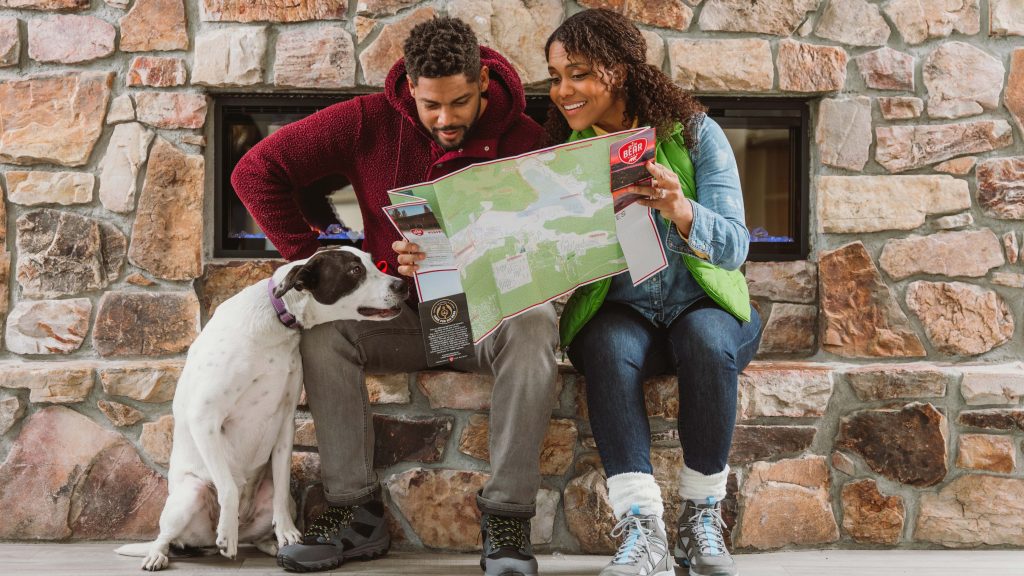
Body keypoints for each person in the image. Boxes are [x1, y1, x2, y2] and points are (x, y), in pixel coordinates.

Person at [231, 17, 557, 576]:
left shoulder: (527, 140)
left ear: (482, 82)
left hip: (486, 317)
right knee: (325, 331)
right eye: (431, 105)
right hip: (397, 313)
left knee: (535, 324)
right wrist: (317, 260)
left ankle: (506, 522)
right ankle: (355, 512)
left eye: (458, 102)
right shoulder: (367, 122)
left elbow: (551, 248)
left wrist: (473, 260)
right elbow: (255, 172)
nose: (445, 119)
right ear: (410, 89)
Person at [546, 9, 762, 576]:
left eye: (578, 73)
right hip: (622, 308)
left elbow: (737, 246)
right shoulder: (559, 156)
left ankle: (701, 518)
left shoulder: (694, 134)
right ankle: (643, 531)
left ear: (618, 71)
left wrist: (682, 209)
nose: (563, 90)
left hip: (702, 300)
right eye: (555, 76)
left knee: (709, 341)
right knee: (606, 350)